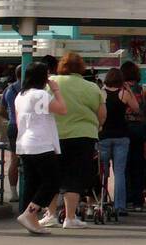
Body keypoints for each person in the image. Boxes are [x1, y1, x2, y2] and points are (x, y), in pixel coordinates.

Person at [41, 52, 105, 229]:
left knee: (52, 176)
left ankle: (51, 214)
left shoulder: (51, 84)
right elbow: (101, 115)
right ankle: (70, 217)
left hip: (54, 135)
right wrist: (97, 126)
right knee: (74, 176)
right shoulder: (92, 87)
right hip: (83, 136)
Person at [14, 63, 69, 234]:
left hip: (24, 142)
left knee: (32, 182)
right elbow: (62, 109)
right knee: (52, 181)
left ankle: (31, 219)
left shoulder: (20, 96)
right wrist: (57, 91)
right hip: (41, 143)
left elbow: (18, 121)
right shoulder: (40, 94)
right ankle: (30, 214)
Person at [98, 67, 139, 216]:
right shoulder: (124, 94)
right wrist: (129, 90)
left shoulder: (101, 93)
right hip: (122, 136)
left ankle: (101, 201)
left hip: (104, 135)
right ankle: (119, 206)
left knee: (102, 171)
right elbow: (136, 108)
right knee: (119, 172)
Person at [120, 60, 146, 212]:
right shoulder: (142, 90)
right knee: (138, 166)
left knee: (124, 166)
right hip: (140, 130)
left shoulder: (120, 90)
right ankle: (138, 200)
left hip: (124, 129)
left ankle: (125, 198)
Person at [1, 66, 23, 206]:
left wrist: (11, 117)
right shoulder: (29, 89)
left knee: (14, 160)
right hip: (25, 127)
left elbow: (1, 110)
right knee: (29, 160)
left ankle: (14, 193)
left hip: (12, 126)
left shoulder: (8, 89)